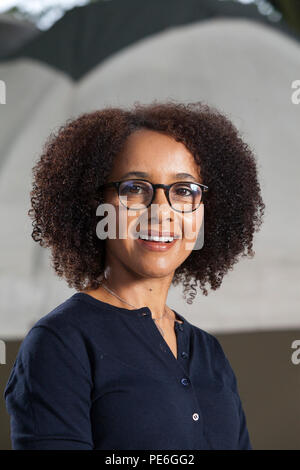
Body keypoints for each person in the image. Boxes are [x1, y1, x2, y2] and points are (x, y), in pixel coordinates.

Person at [4, 100, 264, 450]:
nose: (161, 212)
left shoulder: (209, 352)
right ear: (94, 205)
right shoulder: (59, 344)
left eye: (184, 191)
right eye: (134, 188)